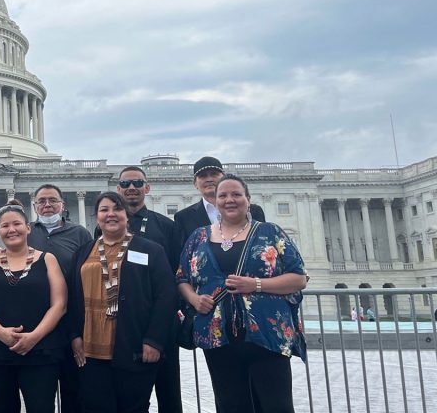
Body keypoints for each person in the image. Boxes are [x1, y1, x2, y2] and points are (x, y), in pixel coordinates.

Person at [177, 174, 308, 413]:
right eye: (223, 195)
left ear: (248, 200)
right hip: (218, 336)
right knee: (230, 405)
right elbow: (182, 277)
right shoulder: (199, 237)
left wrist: (256, 284)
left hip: (268, 333)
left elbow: (299, 278)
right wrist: (194, 299)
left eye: (236, 194)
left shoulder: (270, 233)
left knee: (276, 405)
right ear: (215, 202)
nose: (230, 200)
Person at [68, 192, 175, 412]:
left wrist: (154, 340)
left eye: (117, 209)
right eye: (104, 210)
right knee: (96, 406)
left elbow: (166, 297)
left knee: (133, 407)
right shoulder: (83, 252)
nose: (110, 214)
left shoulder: (150, 250)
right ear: (96, 216)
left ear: (126, 215)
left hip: (134, 345)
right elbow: (72, 296)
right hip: (91, 348)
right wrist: (74, 335)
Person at [0, 200, 67, 413]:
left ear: (28, 227)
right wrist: (1, 333)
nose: (11, 230)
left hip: (41, 350)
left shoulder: (47, 259)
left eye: (17, 224)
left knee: (41, 407)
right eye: (5, 226)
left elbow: (59, 304)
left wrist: (34, 337)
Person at [111, 167, 182, 413]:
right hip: (125, 323)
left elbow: (176, 275)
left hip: (161, 320)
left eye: (138, 183)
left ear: (147, 188)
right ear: (118, 188)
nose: (132, 187)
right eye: (126, 183)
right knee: (130, 393)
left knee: (169, 390)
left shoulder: (166, 226)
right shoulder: (106, 227)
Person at [27, 183, 93, 412]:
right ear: (34, 205)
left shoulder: (81, 234)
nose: (47, 205)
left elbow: (90, 273)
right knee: (40, 392)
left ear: (62, 205)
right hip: (37, 321)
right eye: (42, 201)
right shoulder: (26, 232)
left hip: (72, 320)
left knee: (74, 388)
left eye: (53, 200)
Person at [174, 156, 266, 252]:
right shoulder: (183, 218)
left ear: (224, 178)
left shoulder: (253, 211)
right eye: (203, 176)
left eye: (214, 174)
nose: (209, 179)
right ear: (195, 184)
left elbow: (264, 246)